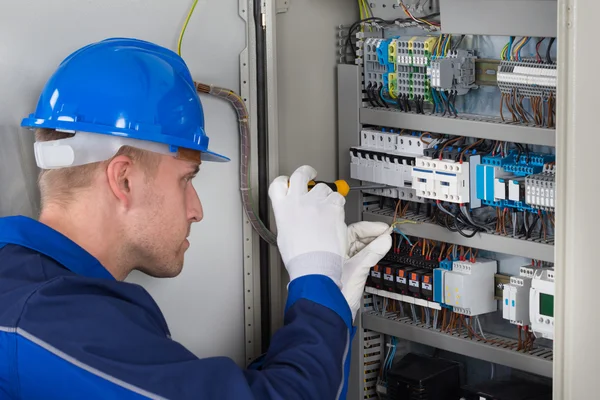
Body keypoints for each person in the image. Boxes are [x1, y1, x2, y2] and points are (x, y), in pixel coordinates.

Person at [0, 38, 392, 399]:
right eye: (186, 180)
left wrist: (329, 302)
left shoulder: (31, 291)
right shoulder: (52, 327)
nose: (196, 210)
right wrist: (316, 281)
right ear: (124, 179)